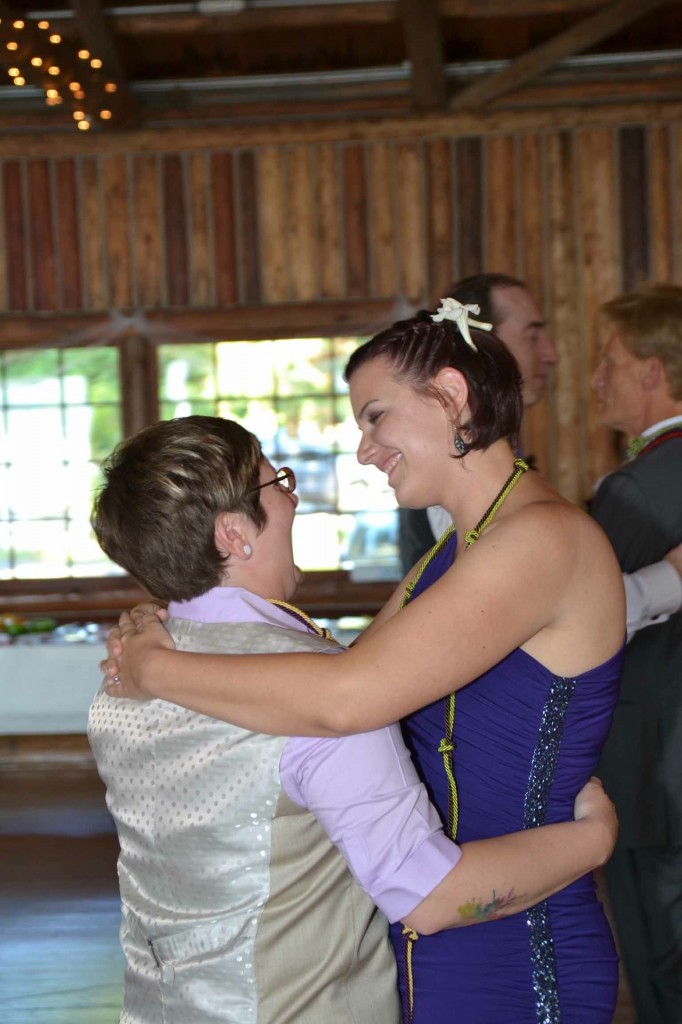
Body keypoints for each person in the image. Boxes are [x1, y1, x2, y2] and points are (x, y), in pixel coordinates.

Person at [103, 305, 626, 1023]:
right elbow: (332, 679)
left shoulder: (543, 540)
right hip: (418, 937)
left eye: (375, 416)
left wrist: (156, 669)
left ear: (450, 395)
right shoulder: (449, 555)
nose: (363, 449)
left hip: (512, 936)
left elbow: (347, 697)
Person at [399, 273, 682, 639]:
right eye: (533, 335)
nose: (551, 355)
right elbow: (525, 604)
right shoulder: (452, 464)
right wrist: (670, 579)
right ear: (483, 347)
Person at [590, 283, 682, 1024]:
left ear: (654, 371)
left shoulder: (639, 487)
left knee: (663, 969)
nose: (597, 376)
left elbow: (591, 625)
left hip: (658, 771)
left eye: (610, 359)